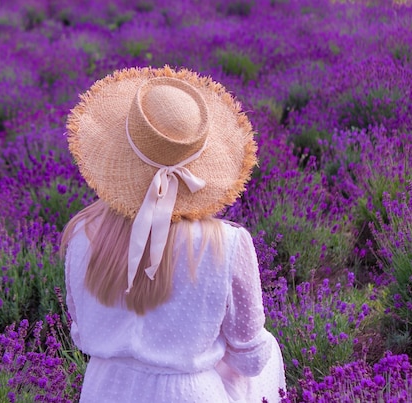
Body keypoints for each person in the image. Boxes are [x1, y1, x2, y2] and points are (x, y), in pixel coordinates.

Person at [60, 66, 286, 402]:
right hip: (190, 394)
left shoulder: (83, 235)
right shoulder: (227, 245)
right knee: (266, 353)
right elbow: (249, 359)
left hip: (104, 390)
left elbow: (80, 331)